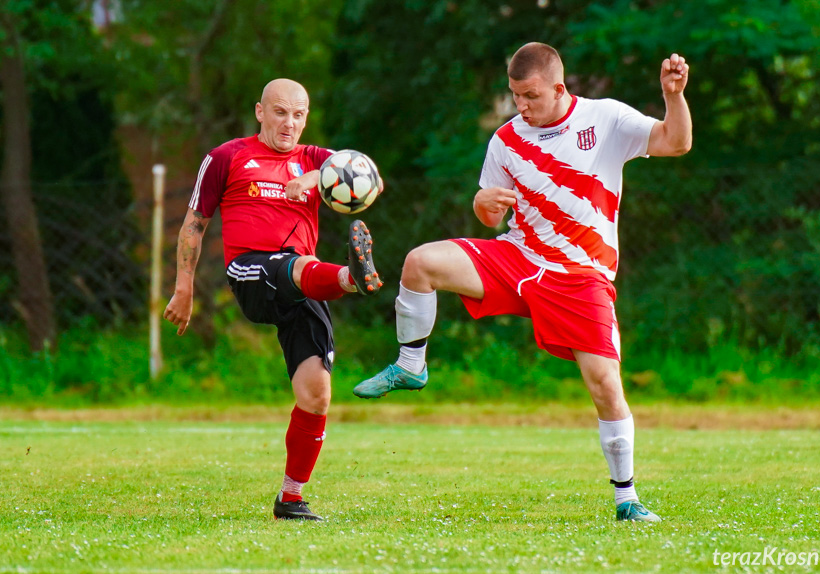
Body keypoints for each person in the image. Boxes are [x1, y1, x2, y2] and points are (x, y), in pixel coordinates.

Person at [354, 43, 691, 522]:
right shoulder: (505, 141)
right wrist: (484, 204)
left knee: (605, 386)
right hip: (518, 258)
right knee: (420, 263)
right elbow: (490, 216)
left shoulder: (606, 119)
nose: (522, 106)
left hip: (580, 276)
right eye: (515, 96)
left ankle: (627, 499)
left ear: (559, 88)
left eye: (530, 95)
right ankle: (411, 365)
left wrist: (673, 96)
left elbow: (676, 142)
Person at [164, 78, 383, 521]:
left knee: (316, 392)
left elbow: (367, 176)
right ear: (260, 111)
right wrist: (183, 287)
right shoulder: (226, 157)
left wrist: (314, 177)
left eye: (299, 114)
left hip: (303, 282)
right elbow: (193, 224)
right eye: (280, 112)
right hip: (252, 271)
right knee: (297, 267)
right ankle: (350, 277)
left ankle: (291, 497)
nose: (290, 123)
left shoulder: (316, 159)